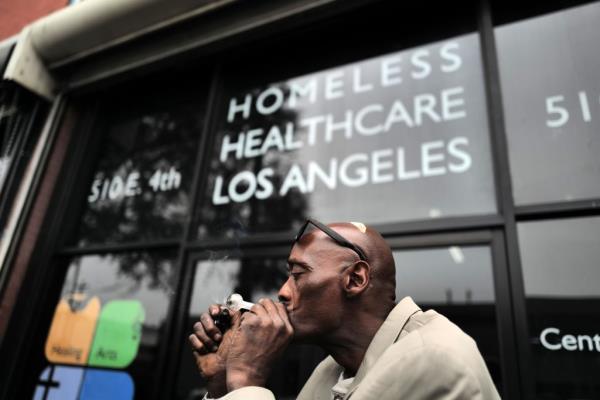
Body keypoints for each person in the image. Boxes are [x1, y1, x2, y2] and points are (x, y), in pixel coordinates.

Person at [189, 219, 501, 400]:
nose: (283, 291)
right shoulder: (329, 372)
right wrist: (222, 387)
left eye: (298, 274)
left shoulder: (435, 359)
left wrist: (247, 382)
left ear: (355, 279)